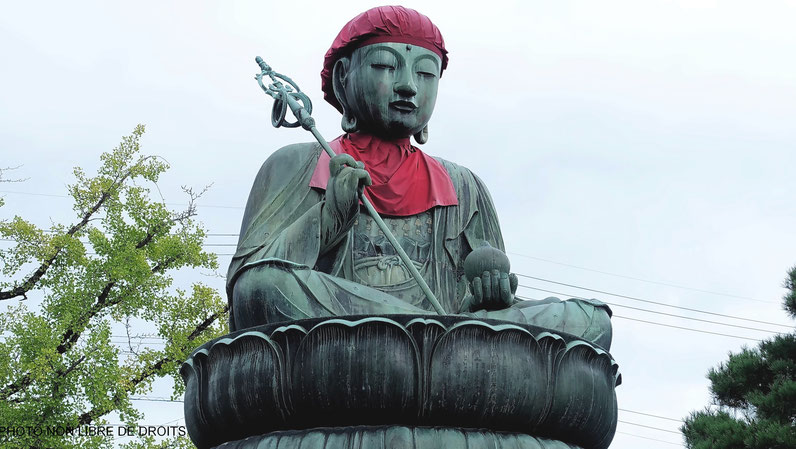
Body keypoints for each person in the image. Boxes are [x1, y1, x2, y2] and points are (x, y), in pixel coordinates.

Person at [227, 6, 613, 349]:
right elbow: (249, 292)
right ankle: (431, 339)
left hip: (449, 335)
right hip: (345, 341)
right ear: (344, 78)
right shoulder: (299, 164)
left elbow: (480, 305)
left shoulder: (464, 186)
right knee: (263, 289)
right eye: (384, 66)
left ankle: (431, 340)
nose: (408, 85)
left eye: (425, 73)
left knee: (590, 321)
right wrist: (328, 218)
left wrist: (490, 292)